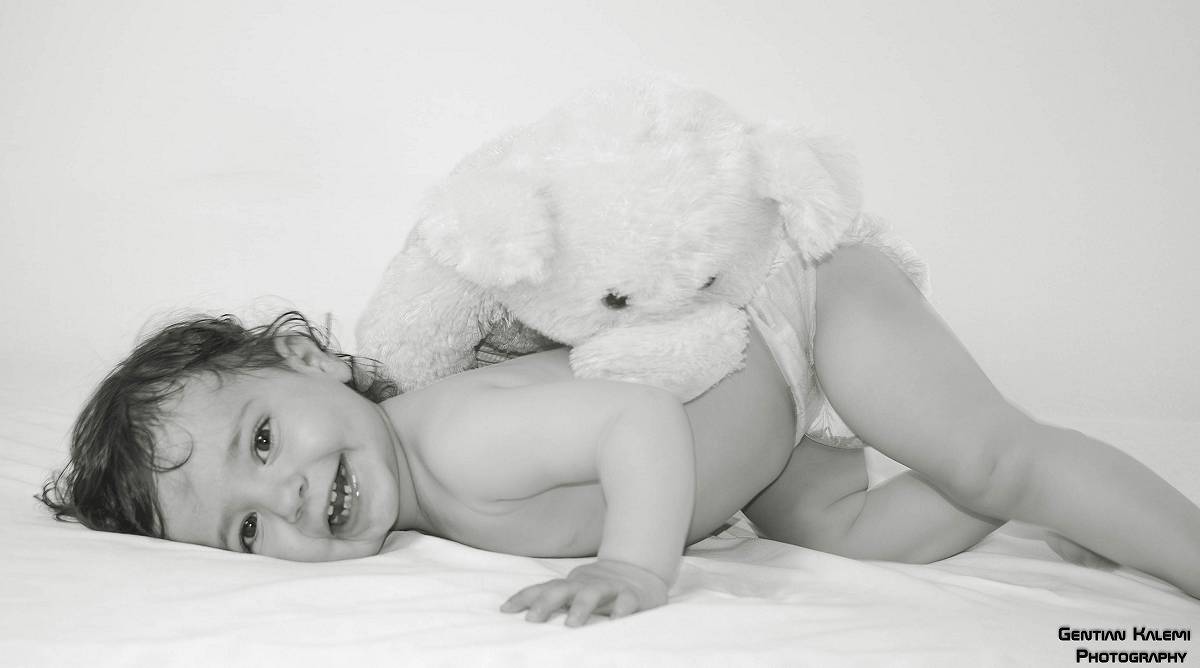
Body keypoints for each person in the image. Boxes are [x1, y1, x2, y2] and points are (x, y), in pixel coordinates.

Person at [40, 244, 1200, 627]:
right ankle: (1067, 495)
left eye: (259, 441)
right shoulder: (430, 489)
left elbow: (638, 417)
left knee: (993, 452)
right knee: (860, 531)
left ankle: (1127, 516)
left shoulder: (453, 438)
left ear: (308, 357)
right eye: (246, 530)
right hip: (759, 438)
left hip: (797, 312)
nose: (286, 494)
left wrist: (640, 565)